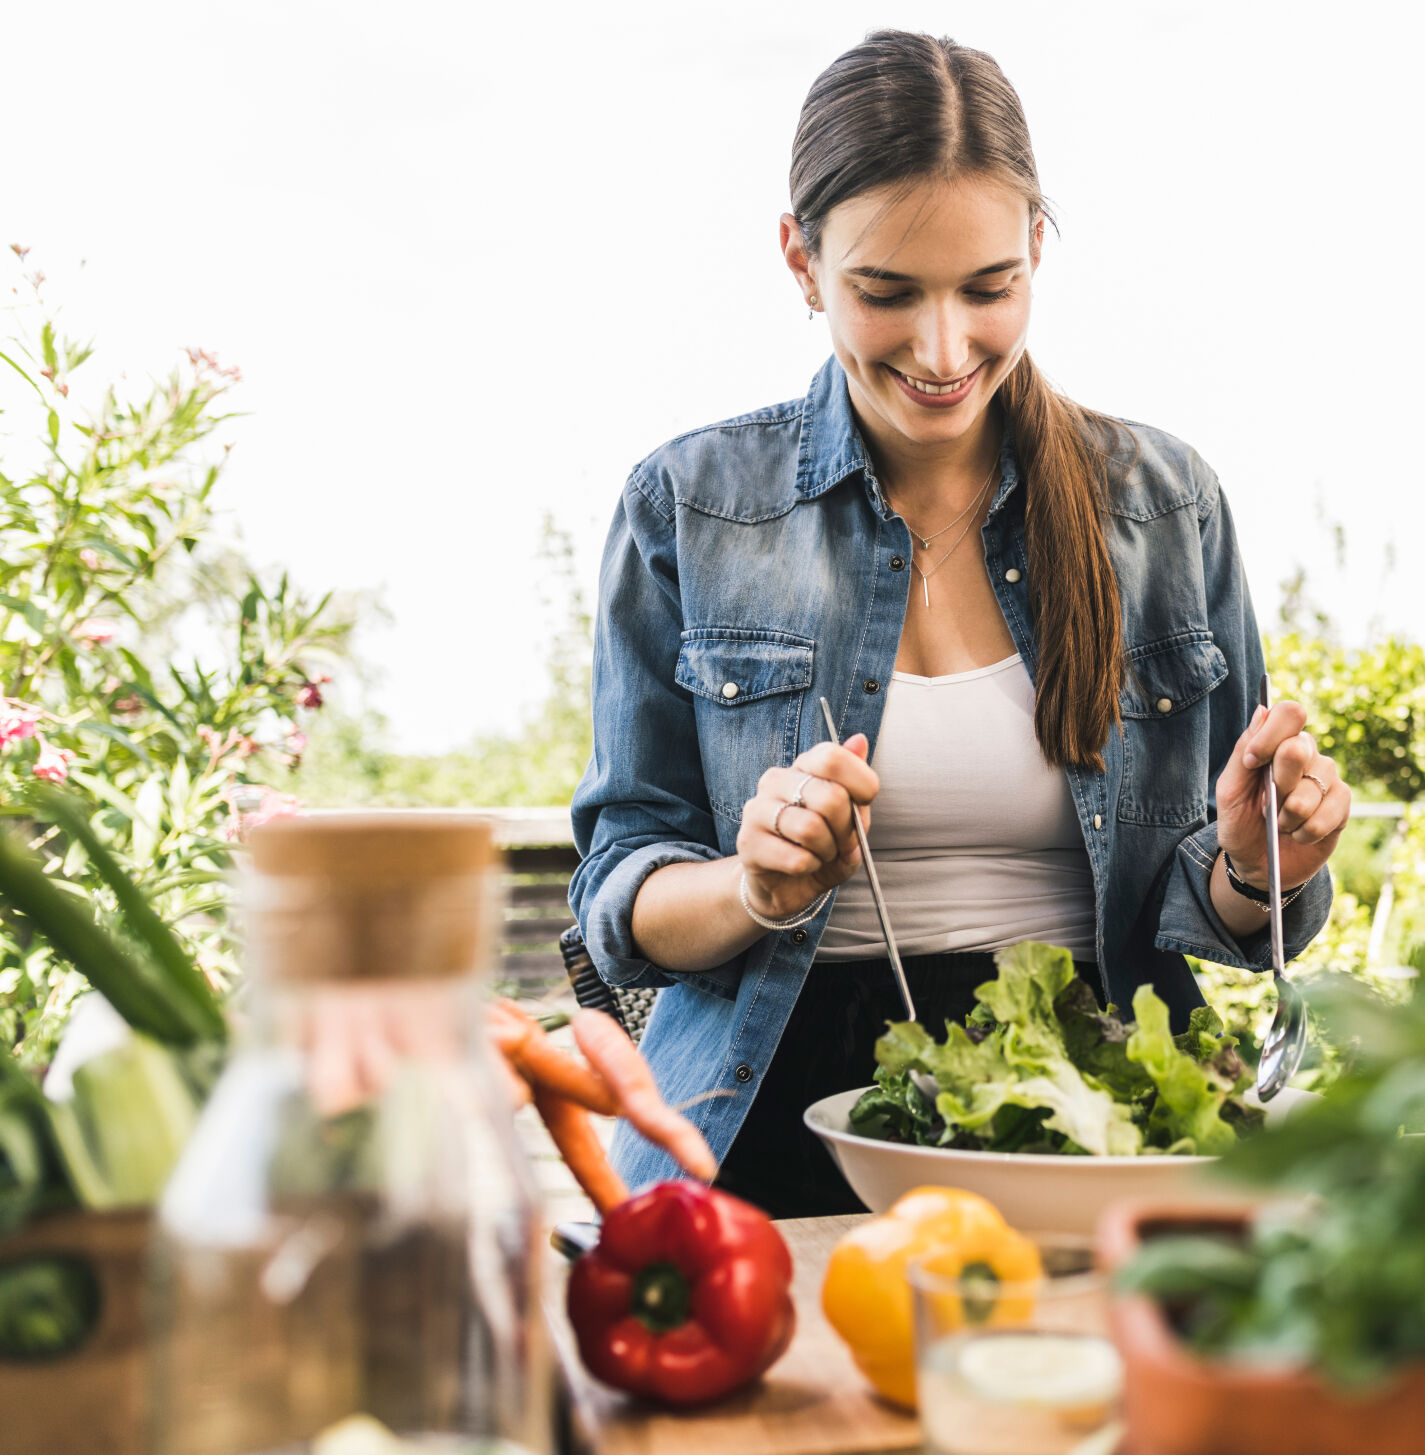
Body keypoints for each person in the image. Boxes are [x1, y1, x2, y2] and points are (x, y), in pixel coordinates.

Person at [568, 30, 1352, 1217]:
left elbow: (1215, 914)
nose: (944, 352)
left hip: (1101, 1101)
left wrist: (1257, 866)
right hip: (765, 1110)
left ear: (1039, 246)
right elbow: (619, 890)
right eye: (887, 293)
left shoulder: (1165, 506)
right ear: (801, 259)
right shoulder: (689, 507)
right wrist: (755, 889)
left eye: (990, 288)